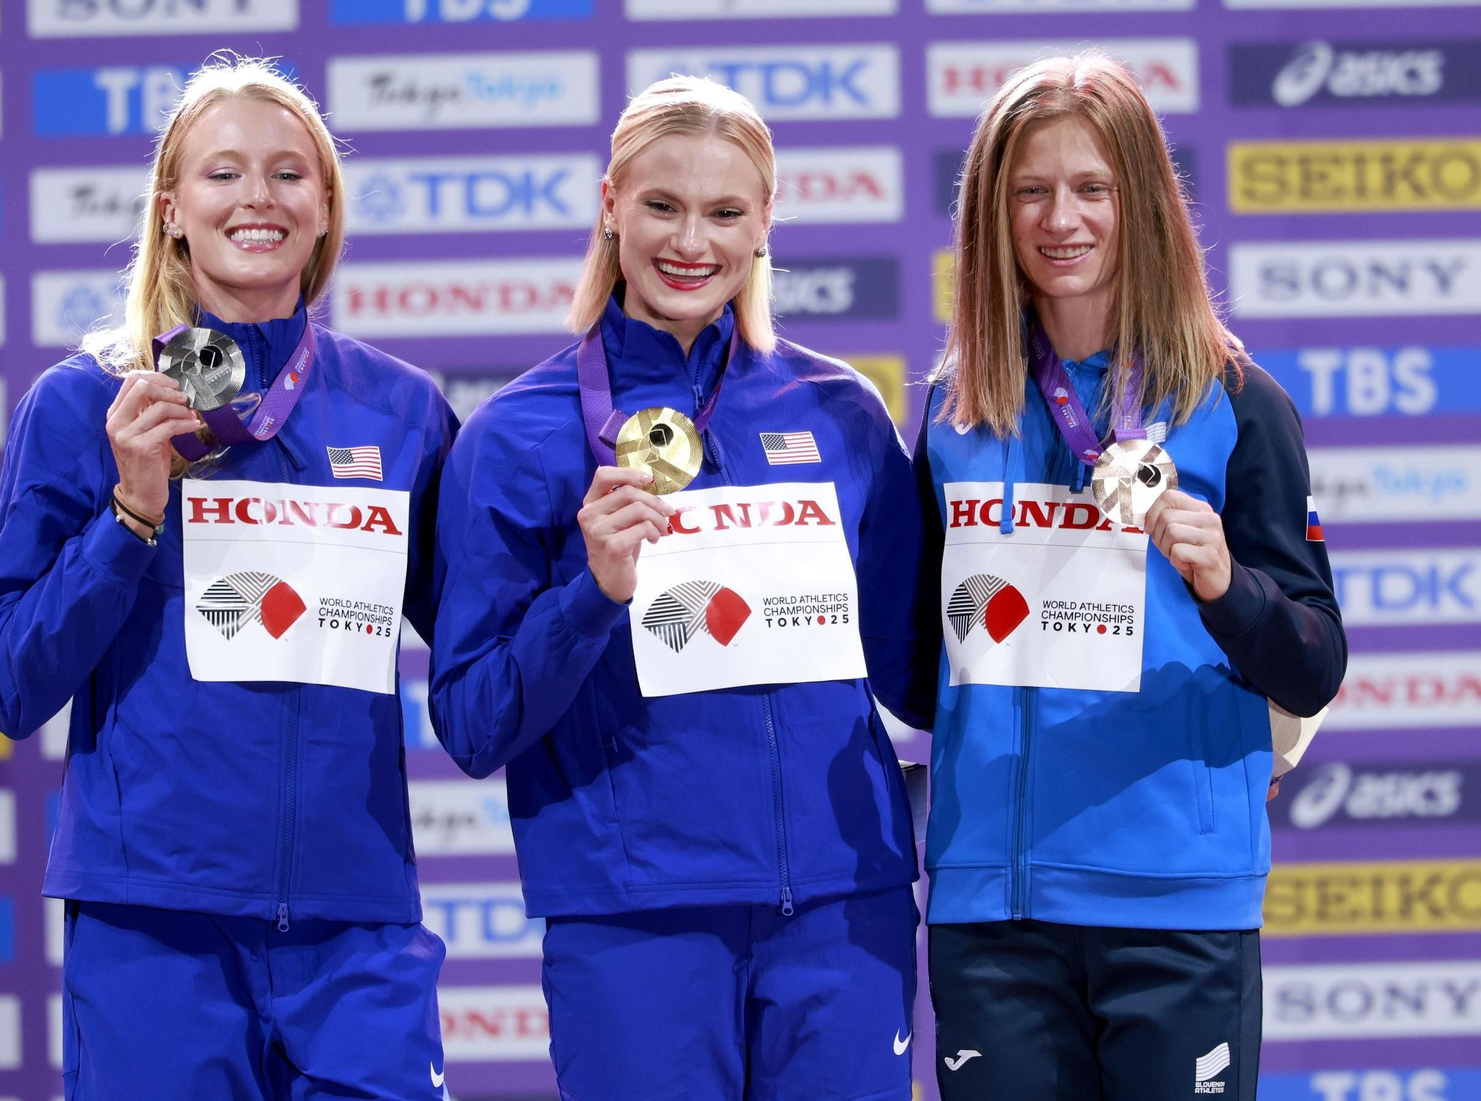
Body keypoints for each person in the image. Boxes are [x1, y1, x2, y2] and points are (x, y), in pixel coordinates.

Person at [428, 76, 933, 1101]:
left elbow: (920, 675)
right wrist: (588, 597)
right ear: (610, 202)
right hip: (634, 922)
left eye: (724, 212)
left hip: (845, 912)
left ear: (764, 225)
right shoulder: (515, 437)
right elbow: (472, 723)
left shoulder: (842, 414)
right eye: (661, 206)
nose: (689, 242)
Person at [0, 57, 456, 1101]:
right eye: (223, 174)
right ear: (173, 209)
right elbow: (8, 683)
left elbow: (479, 660)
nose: (257, 199)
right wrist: (129, 514)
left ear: (325, 209)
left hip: (356, 922)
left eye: (288, 175)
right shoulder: (84, 404)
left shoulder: (401, 410)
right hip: (156, 928)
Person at [916, 55, 1346, 1101]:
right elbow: (908, 650)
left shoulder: (1235, 403)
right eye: (1030, 189)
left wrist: (1223, 585)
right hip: (993, 915)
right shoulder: (951, 410)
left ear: (1141, 203)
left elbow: (1314, 664)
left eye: (1090, 188)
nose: (1059, 218)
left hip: (1175, 905)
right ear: (992, 211)